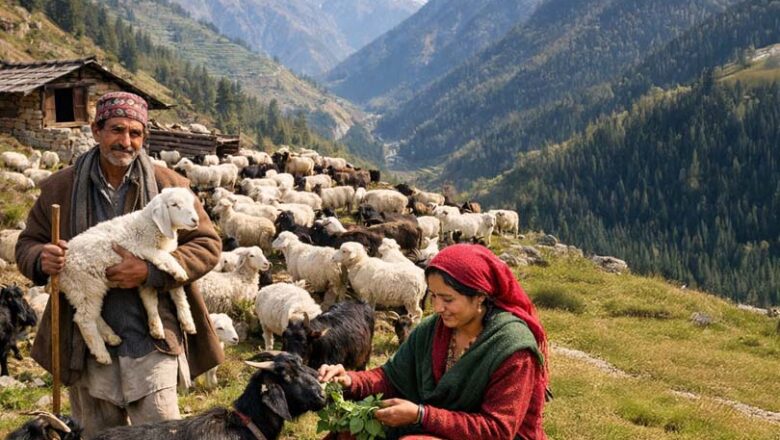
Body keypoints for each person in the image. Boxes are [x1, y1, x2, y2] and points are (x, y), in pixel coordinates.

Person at [14, 91, 224, 438]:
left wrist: (150, 271)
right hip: (86, 345)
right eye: (116, 130)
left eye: (135, 133)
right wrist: (41, 258)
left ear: (144, 137)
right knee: (97, 435)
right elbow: (27, 244)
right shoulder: (60, 188)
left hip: (152, 341)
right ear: (97, 131)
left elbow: (207, 244)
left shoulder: (170, 187)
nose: (125, 141)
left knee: (160, 433)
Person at [319, 244, 549, 440]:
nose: (438, 307)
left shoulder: (513, 350)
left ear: (480, 297)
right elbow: (390, 377)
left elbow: (497, 429)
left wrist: (422, 415)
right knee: (348, 430)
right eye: (434, 296)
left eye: (448, 299)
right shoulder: (435, 329)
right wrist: (351, 380)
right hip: (436, 424)